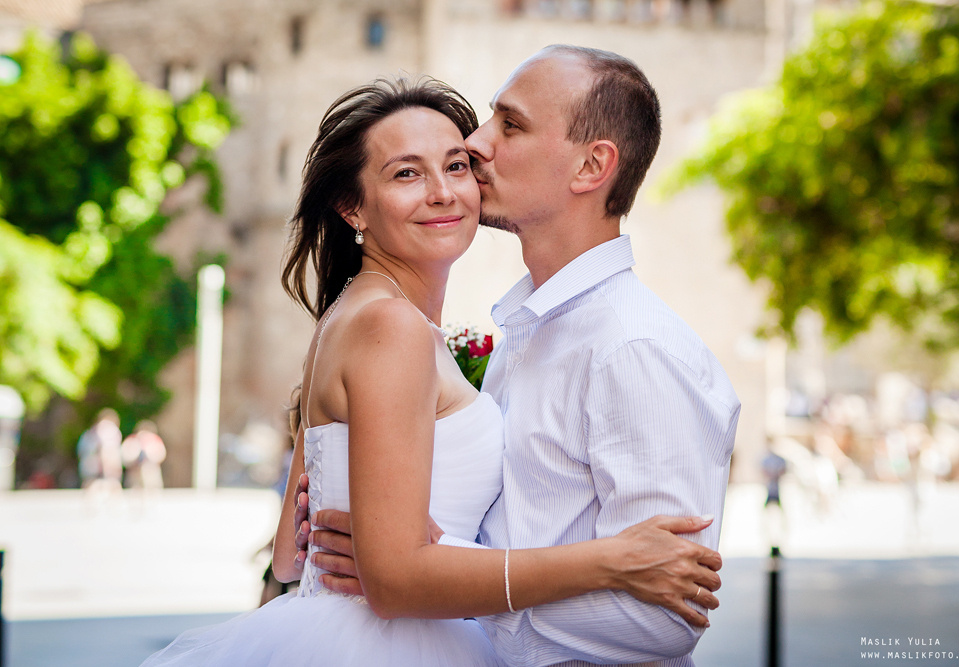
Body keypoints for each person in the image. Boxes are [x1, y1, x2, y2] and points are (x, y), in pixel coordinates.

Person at [142, 75, 722, 667]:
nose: (444, 192)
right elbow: (389, 581)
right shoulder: (390, 328)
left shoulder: (357, 315)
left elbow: (293, 554)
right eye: (406, 174)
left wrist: (418, 549)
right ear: (351, 206)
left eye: (456, 165)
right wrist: (610, 560)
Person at [295, 45, 740, 666]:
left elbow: (662, 617)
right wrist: (401, 554)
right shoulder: (525, 332)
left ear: (591, 166)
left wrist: (432, 576)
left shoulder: (634, 349)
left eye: (511, 124)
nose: (476, 143)